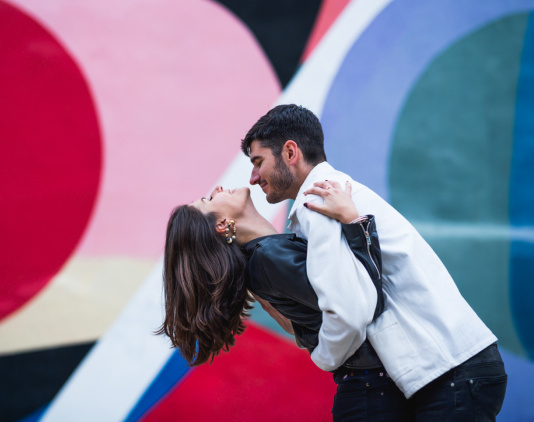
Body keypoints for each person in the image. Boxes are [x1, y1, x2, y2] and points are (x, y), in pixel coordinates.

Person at [241, 104, 507, 421]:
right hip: (454, 367)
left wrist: (323, 355)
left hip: (451, 370)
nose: (254, 177)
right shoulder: (329, 195)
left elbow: (351, 311)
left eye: (258, 162)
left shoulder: (319, 202)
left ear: (290, 152)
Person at [159, 180, 408, 419]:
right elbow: (365, 302)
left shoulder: (266, 257)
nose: (219, 188)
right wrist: (355, 222)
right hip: (375, 394)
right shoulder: (269, 257)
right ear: (223, 224)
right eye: (210, 199)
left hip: (371, 391)